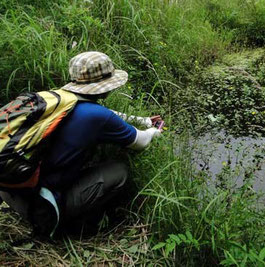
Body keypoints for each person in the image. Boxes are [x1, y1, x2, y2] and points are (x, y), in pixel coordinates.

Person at [0, 51, 162, 237]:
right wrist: (153, 131)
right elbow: (140, 143)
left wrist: (143, 120)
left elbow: (103, 113)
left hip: (11, 191)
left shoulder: (56, 97)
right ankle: (76, 227)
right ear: (104, 85)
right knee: (119, 171)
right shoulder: (96, 116)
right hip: (41, 207)